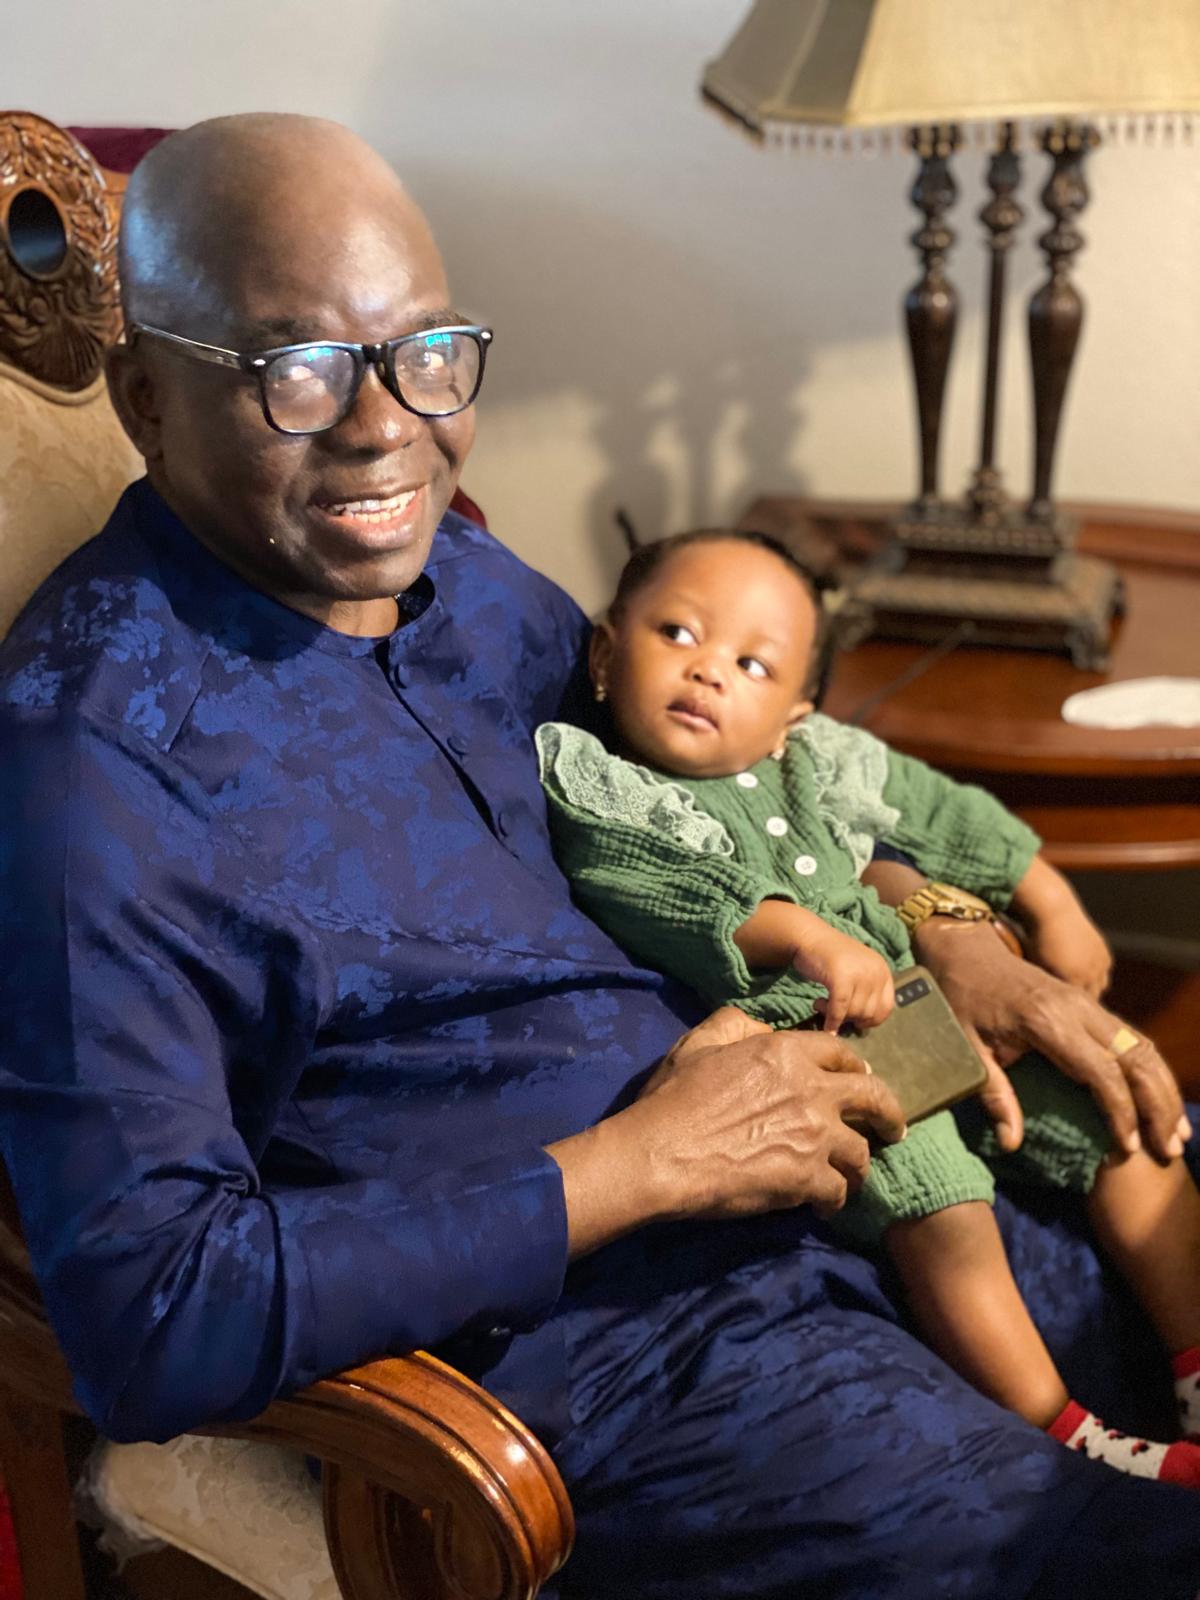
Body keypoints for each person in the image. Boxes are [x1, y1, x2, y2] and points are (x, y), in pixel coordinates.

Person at [0, 113, 1198, 1598]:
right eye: (297, 372)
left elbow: (726, 800)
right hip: (639, 1356)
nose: (386, 428)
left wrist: (948, 930)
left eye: (426, 353)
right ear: (144, 398)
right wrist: (641, 1163)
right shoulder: (92, 764)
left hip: (866, 1165)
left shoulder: (468, 580)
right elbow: (153, 1312)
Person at [535, 525, 1200, 1487]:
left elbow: (944, 813)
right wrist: (805, 937)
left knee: (1117, 1126)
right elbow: (659, 889)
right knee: (941, 1200)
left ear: (794, 714)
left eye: (753, 664)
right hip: (831, 1051)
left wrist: (1051, 900)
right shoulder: (605, 786)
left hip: (935, 1008)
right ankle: (1060, 1428)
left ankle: (1193, 1361)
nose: (708, 670)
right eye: (677, 633)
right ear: (603, 654)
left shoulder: (821, 762)